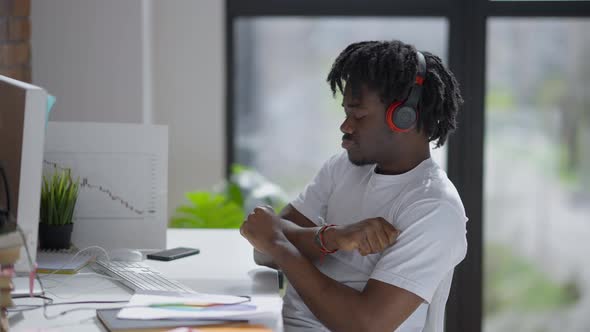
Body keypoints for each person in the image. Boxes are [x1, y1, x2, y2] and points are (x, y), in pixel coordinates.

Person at [240, 40, 467, 332]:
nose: (345, 126)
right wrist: (332, 238)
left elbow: (364, 324)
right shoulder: (344, 167)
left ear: (404, 118)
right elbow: (264, 249)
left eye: (358, 115)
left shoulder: (434, 209)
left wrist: (282, 243)